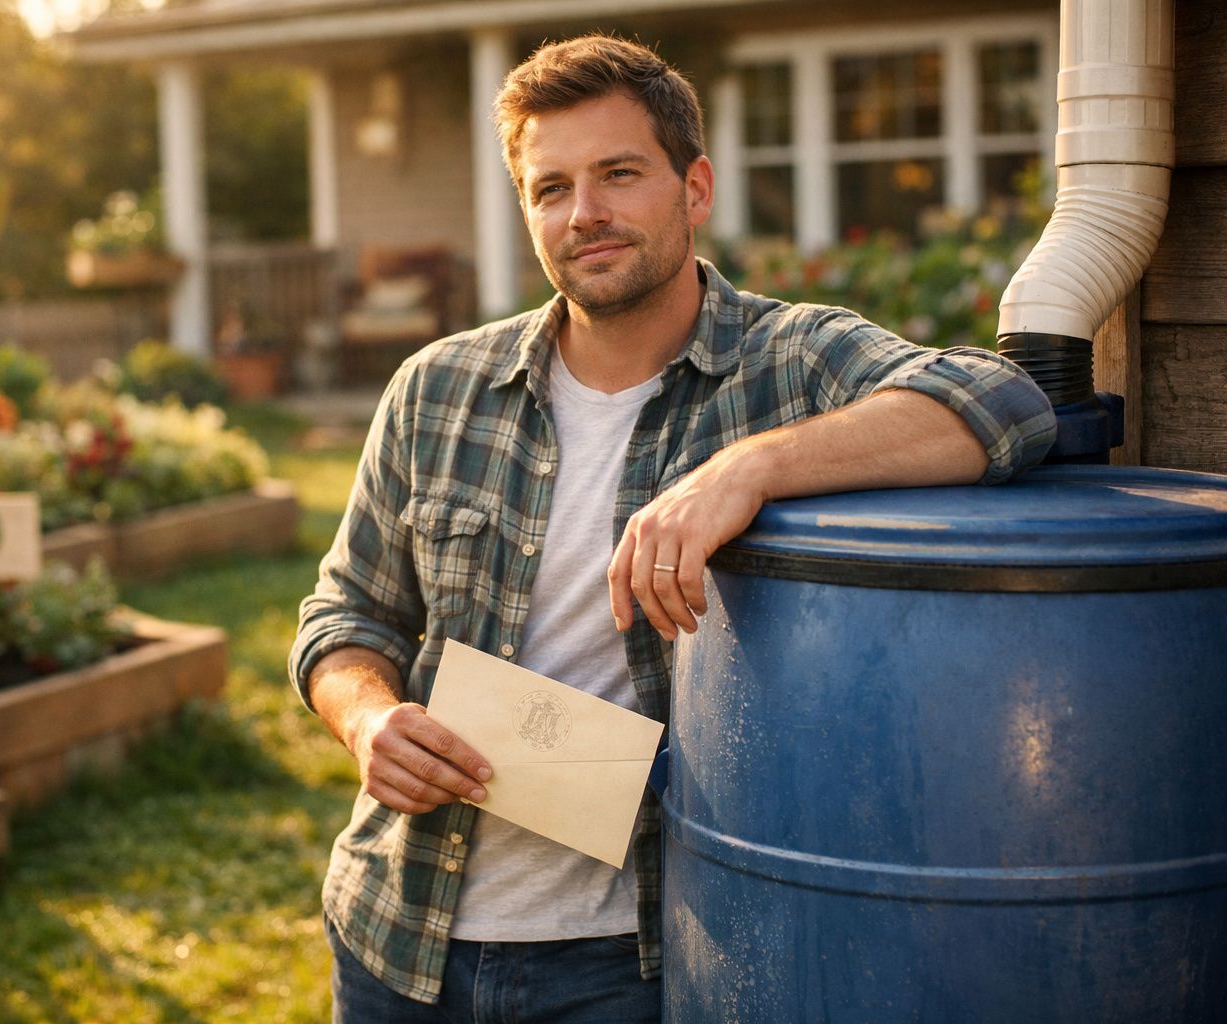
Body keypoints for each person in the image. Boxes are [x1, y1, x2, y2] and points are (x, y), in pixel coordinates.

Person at [290, 33, 1056, 1022]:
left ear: (694, 188)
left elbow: (1005, 403)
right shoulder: (436, 388)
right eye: (550, 187)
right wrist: (367, 718)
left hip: (636, 958)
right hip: (398, 934)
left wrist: (750, 467)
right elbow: (345, 614)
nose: (585, 214)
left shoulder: (790, 363)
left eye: (618, 174)